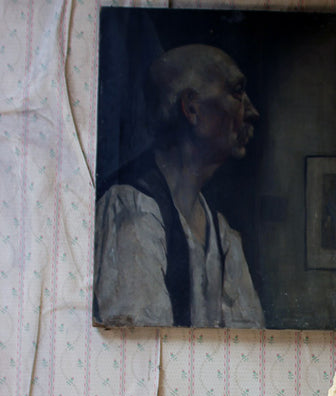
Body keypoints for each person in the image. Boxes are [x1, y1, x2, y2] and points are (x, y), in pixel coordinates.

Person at [94, 44, 265, 329]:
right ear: (192, 108)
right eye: (237, 92)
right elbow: (139, 343)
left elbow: (250, 334)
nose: (252, 112)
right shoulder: (130, 211)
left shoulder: (221, 233)